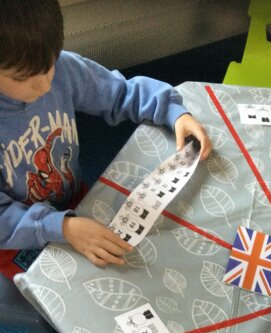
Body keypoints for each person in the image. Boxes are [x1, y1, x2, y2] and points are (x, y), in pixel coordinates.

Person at [0, 0, 212, 278]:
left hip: (72, 198)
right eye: (23, 78)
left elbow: (119, 92)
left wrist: (172, 111)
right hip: (16, 235)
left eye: (50, 64)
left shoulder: (61, 68)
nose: (45, 84)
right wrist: (61, 227)